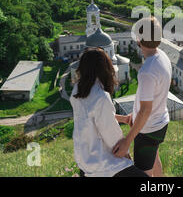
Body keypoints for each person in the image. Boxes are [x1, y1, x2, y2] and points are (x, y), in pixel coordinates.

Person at [70, 47, 148, 177]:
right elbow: (110, 133)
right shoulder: (101, 96)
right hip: (103, 162)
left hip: (84, 158)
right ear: (104, 68)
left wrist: (121, 118)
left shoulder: (78, 91)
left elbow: (91, 116)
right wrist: (125, 153)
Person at [113, 16, 171, 177]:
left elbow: (146, 110)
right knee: (154, 158)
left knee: (144, 174)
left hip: (147, 129)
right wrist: (136, 115)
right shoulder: (162, 57)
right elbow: (155, 97)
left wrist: (127, 141)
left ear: (139, 40)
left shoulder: (147, 72)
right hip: (160, 122)